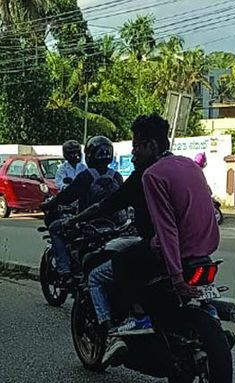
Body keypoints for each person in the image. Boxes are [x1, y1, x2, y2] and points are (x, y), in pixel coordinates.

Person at [75, 114, 220, 365]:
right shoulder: (190, 165)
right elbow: (210, 209)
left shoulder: (151, 175)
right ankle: (211, 314)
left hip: (172, 252)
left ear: (152, 145)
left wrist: (176, 277)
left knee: (105, 272)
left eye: (137, 147)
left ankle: (126, 326)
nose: (134, 153)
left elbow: (165, 229)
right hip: (202, 250)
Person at [42, 136, 123, 285]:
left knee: (55, 228)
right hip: (115, 226)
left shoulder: (86, 175)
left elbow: (66, 196)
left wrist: (48, 205)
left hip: (88, 224)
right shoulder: (117, 177)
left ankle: (65, 272)